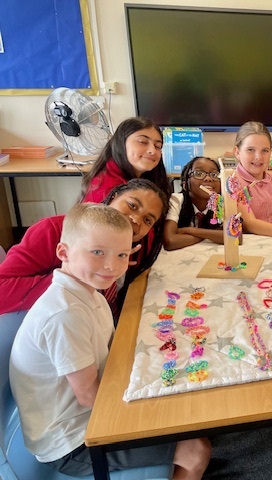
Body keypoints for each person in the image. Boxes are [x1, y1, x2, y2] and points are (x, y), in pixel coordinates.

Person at [9, 203, 211, 479]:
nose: (111, 266)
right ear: (63, 252)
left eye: (121, 255)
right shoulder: (64, 314)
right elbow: (91, 397)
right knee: (195, 448)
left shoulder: (89, 291)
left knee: (182, 396)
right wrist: (153, 410)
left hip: (85, 415)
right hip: (72, 443)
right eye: (97, 252)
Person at [0, 179, 168, 317]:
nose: (136, 219)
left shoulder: (133, 247)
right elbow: (2, 291)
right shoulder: (52, 230)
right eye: (132, 205)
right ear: (113, 197)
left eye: (148, 220)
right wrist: (80, 276)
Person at [79, 116, 172, 203]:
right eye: (142, 142)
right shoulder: (109, 192)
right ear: (121, 144)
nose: (152, 151)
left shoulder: (147, 178)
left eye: (158, 146)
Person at [163, 156, 225, 250]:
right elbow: (170, 241)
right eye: (199, 173)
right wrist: (214, 234)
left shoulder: (221, 203)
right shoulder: (176, 200)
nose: (208, 178)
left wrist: (189, 231)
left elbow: (235, 237)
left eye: (214, 175)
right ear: (185, 184)